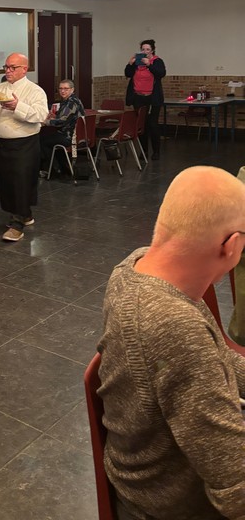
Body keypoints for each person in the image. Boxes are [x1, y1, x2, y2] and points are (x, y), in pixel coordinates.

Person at [98, 166, 245, 520]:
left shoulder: (134, 267)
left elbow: (215, 357)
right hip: (170, 503)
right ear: (232, 246)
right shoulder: (175, 327)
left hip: (149, 473)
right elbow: (235, 492)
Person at [0, 53, 48, 242]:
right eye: (6, 67)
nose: (8, 71)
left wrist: (17, 106)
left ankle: (17, 225)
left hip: (24, 143)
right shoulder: (0, 88)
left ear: (24, 69)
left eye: (13, 67)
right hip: (1, 142)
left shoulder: (35, 90)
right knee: (7, 183)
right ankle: (25, 214)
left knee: (21, 182)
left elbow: (41, 115)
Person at [124, 38, 166, 160]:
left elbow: (161, 73)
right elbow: (128, 74)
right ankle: (143, 152)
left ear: (152, 50)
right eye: (143, 49)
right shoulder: (137, 62)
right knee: (142, 125)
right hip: (138, 97)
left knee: (153, 124)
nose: (145, 51)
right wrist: (130, 64)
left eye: (148, 49)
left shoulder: (157, 61)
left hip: (153, 97)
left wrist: (149, 65)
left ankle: (156, 152)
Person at [39, 79, 84, 176]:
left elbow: (62, 121)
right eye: (60, 88)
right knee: (48, 139)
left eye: (66, 89)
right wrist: (55, 117)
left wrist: (45, 122)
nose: (63, 91)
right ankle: (62, 167)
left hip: (69, 136)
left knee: (42, 141)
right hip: (74, 135)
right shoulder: (71, 100)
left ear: (72, 89)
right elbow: (66, 118)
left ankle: (53, 170)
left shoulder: (71, 103)